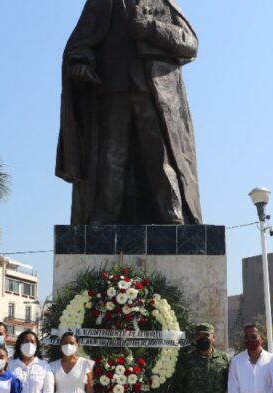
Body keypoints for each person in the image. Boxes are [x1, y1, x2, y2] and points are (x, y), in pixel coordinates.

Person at [57, 0, 203, 225]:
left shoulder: (162, 2)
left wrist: (151, 29)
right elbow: (80, 43)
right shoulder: (100, 3)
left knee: (160, 157)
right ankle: (104, 220)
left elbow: (190, 44)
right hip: (111, 91)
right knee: (110, 158)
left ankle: (172, 216)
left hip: (154, 94)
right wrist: (80, 62)